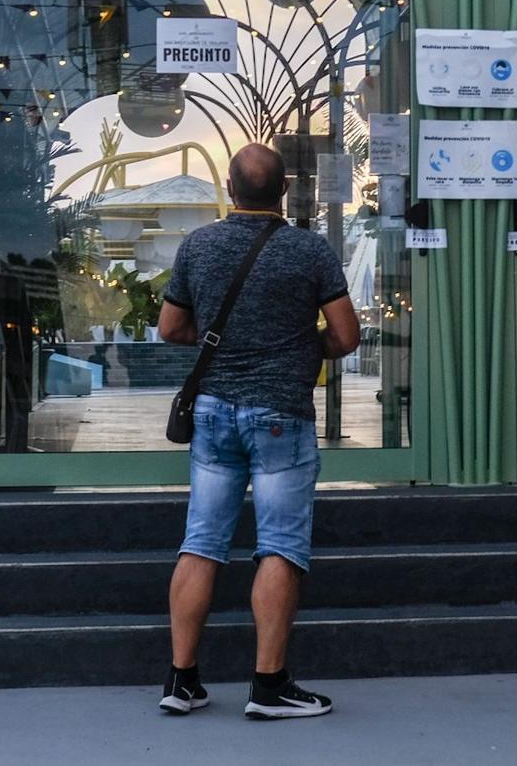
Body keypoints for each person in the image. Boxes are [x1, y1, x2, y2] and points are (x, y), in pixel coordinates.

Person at [156, 142, 361, 720]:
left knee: (201, 541)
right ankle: (268, 687)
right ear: (284, 191)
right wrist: (298, 348)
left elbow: (171, 328)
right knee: (280, 545)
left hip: (215, 413)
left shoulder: (199, 245)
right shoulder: (309, 250)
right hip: (280, 417)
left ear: (229, 185)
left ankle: (182, 680)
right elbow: (345, 337)